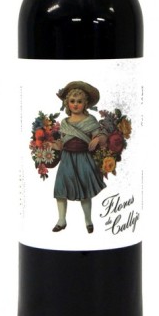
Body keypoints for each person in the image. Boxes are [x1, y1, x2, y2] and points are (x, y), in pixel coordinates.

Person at [50, 81, 107, 233]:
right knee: (61, 189)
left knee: (85, 191)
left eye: (79, 101)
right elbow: (62, 141)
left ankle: (88, 220)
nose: (75, 104)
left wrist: (97, 139)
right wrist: (56, 145)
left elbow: (100, 136)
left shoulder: (90, 120)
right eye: (72, 101)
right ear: (67, 103)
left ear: (85, 103)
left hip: (84, 159)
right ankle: (61, 220)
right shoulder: (65, 123)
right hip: (67, 159)